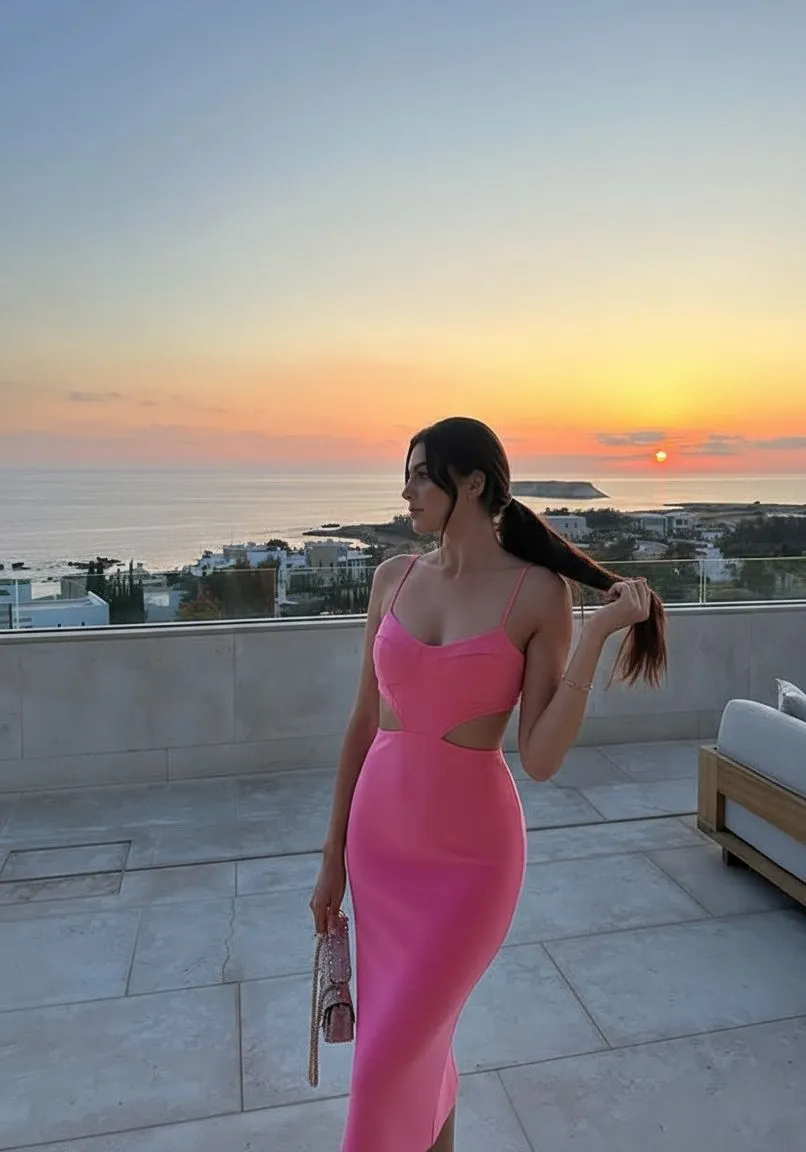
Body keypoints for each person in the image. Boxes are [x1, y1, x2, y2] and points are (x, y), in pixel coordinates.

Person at [310, 416, 666, 1152]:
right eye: (405, 473)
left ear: (471, 482)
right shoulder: (392, 578)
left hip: (471, 866)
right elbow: (361, 724)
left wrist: (595, 639)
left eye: (419, 474)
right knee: (417, 1051)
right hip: (381, 856)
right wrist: (331, 861)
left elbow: (539, 757)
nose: (405, 490)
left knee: (386, 1063)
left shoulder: (537, 594)